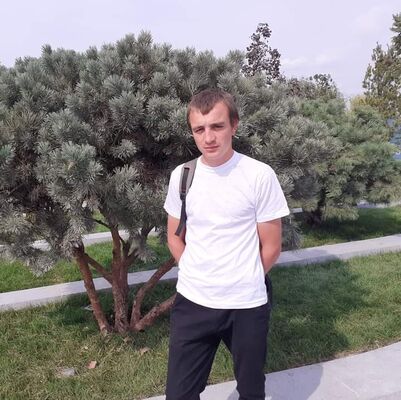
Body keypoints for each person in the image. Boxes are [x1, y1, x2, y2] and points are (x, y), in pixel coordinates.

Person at [163, 88, 290, 400]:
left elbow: (272, 246)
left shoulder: (259, 175)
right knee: (179, 394)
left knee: (251, 390)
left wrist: (244, 278)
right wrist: (192, 270)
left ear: (234, 125)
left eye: (217, 126)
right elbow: (174, 235)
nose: (208, 138)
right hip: (193, 302)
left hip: (245, 305)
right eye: (199, 129)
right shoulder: (183, 176)